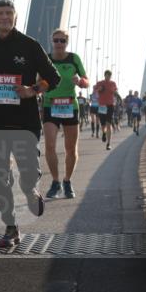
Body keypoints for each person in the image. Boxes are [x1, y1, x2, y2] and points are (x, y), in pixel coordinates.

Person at [0, 0, 60, 249]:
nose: (4, 17)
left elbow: (53, 76)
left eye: (9, 13)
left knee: (27, 175)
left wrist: (33, 90)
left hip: (24, 123)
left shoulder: (30, 45)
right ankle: (11, 228)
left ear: (16, 17)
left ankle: (30, 191)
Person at [41, 28, 88, 199]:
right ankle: (55, 182)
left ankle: (67, 181)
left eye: (62, 41)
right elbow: (39, 81)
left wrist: (80, 81)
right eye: (56, 40)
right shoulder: (46, 59)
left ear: (67, 43)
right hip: (50, 105)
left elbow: (86, 81)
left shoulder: (74, 58)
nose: (59, 44)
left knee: (70, 148)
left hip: (70, 105)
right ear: (52, 42)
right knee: (50, 146)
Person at [93, 70, 117, 150]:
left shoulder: (113, 83)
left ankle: (108, 143)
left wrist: (115, 91)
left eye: (109, 76)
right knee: (103, 125)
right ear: (104, 75)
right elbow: (95, 91)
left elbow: (116, 91)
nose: (108, 77)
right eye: (107, 75)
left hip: (110, 105)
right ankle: (104, 132)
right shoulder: (100, 83)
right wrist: (99, 89)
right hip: (102, 106)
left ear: (111, 76)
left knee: (108, 124)